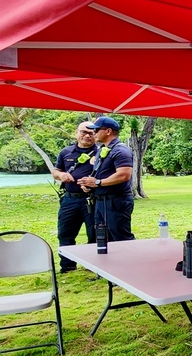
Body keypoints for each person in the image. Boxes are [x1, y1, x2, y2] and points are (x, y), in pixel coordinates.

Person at [76, 116, 134, 241]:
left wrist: (98, 182)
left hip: (115, 202)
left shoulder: (120, 150)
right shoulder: (102, 149)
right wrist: (89, 184)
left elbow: (124, 175)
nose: (93, 133)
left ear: (108, 131)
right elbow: (101, 173)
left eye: (96, 130)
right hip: (100, 202)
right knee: (103, 238)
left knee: (120, 238)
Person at [52, 121, 98, 273]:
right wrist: (61, 175)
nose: (86, 135)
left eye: (91, 133)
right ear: (76, 133)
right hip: (69, 199)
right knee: (65, 233)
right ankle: (67, 266)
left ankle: (93, 266)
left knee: (95, 233)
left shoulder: (101, 153)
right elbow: (56, 171)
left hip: (92, 199)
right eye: (83, 132)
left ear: (95, 135)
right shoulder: (66, 152)